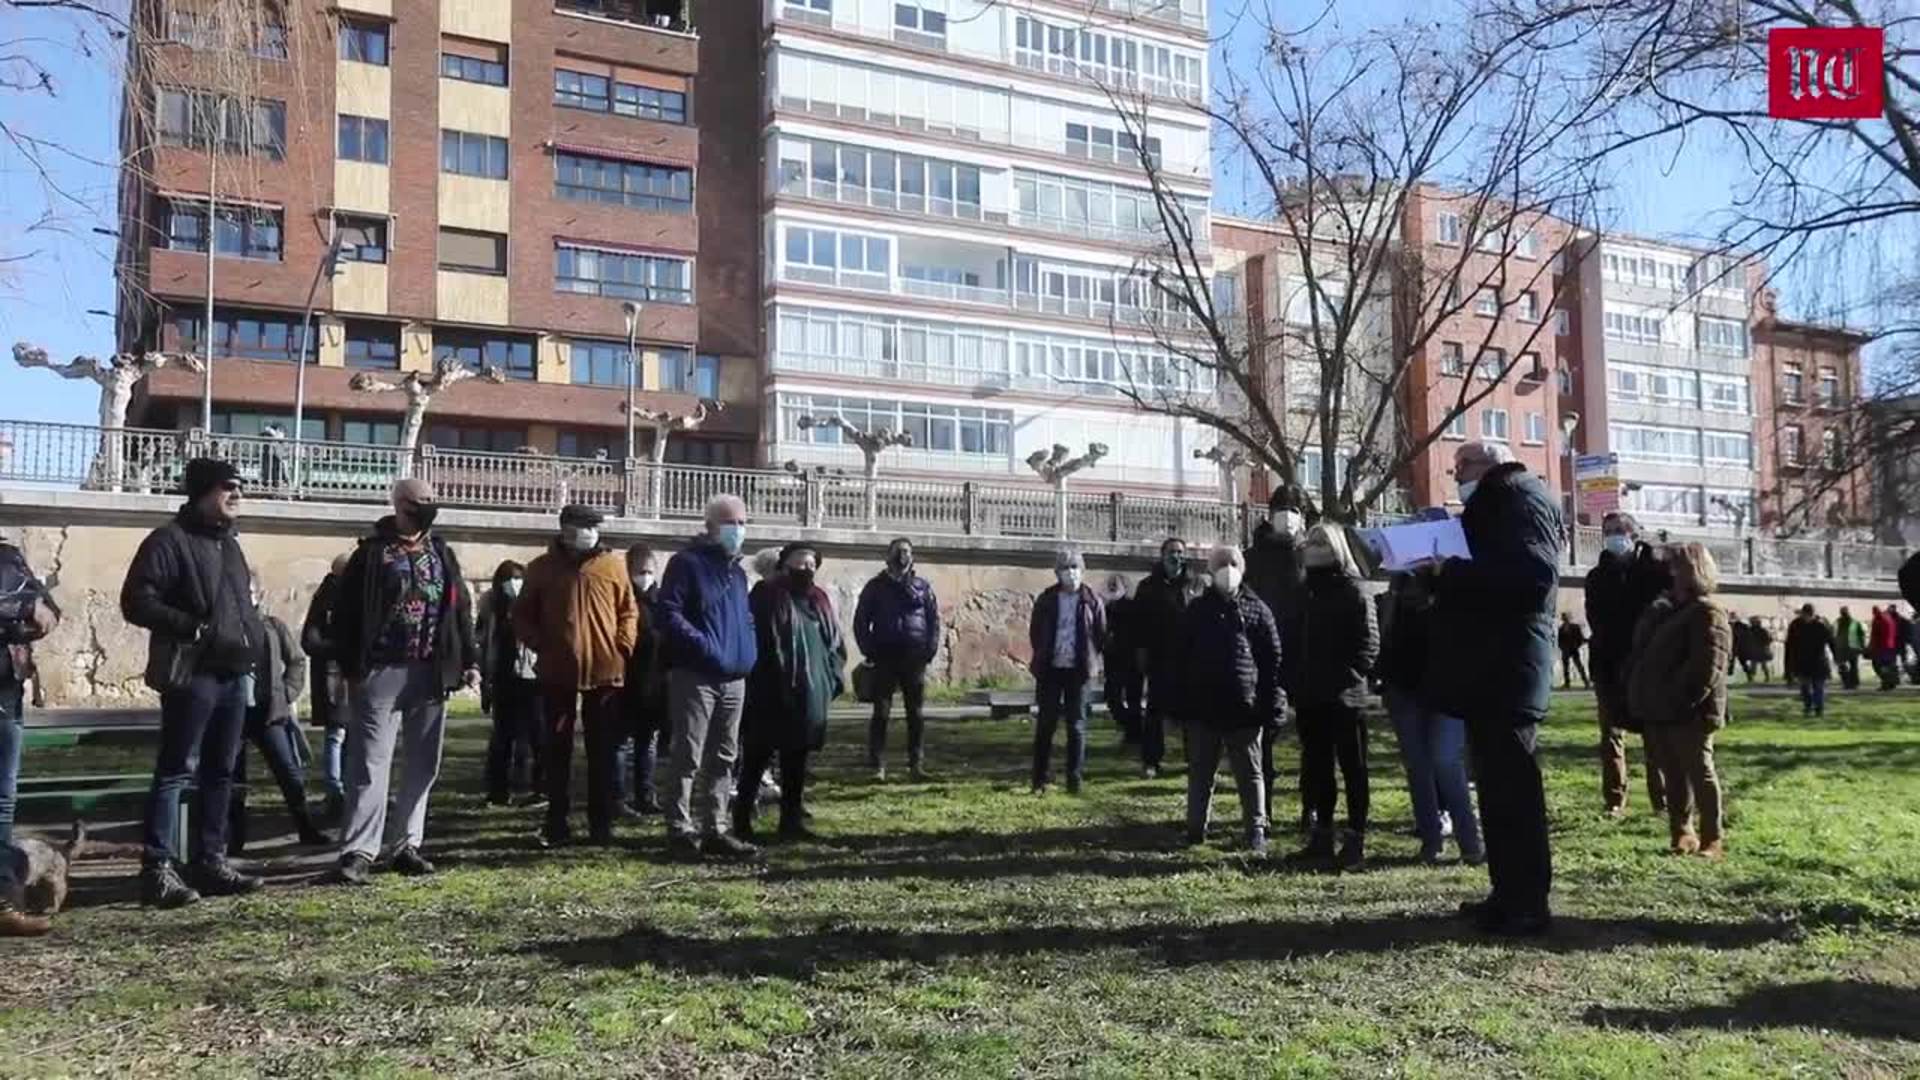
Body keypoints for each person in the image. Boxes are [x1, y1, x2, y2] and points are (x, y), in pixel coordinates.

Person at [1426, 440, 1561, 937]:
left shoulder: (1522, 500)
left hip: (1510, 667)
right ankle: (1507, 895)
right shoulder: (1502, 503)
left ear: (1486, 467)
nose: (1456, 475)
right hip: (1492, 667)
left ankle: (1527, 904)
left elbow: (1534, 575)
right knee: (1498, 793)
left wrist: (1451, 570)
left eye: (1460, 467)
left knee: (1514, 792)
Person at [120, 458, 266, 908]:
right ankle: (158, 868)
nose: (237, 494)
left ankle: (211, 860)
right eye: (228, 487)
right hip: (193, 674)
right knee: (176, 769)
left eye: (240, 487)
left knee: (222, 771)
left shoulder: (231, 546)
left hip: (234, 674)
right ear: (202, 492)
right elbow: (136, 601)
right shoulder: (168, 541)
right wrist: (192, 627)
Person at [323, 478, 479, 886]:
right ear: (398, 504)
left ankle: (406, 844)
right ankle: (358, 850)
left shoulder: (440, 553)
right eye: (419, 502)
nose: (427, 506)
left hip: (430, 670)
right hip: (380, 671)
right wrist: (352, 666)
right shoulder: (372, 555)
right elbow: (345, 616)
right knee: (370, 763)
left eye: (432, 499)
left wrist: (468, 659)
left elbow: (459, 607)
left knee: (423, 762)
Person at [514, 505, 639, 847]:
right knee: (557, 750)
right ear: (567, 530)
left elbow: (629, 610)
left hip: (605, 673)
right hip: (558, 672)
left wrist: (623, 646)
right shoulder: (541, 569)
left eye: (595, 528)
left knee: (602, 750)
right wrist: (542, 644)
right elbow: (522, 616)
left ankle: (601, 822)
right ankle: (556, 820)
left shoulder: (613, 565)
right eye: (586, 527)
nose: (592, 533)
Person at [658, 494, 759, 860]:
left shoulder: (738, 573)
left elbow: (745, 618)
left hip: (735, 677)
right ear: (712, 525)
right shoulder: (686, 564)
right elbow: (668, 614)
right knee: (688, 754)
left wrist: (749, 649)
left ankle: (716, 827)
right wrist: (704, 647)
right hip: (696, 674)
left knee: (725, 756)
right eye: (733, 522)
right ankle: (679, 829)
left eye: (744, 522)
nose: (740, 530)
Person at [1626, 543, 1731, 859]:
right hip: (1661, 708)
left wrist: (1679, 697)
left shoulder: (1707, 612)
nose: (1669, 574)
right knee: (1672, 774)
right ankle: (1682, 832)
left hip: (1690, 710)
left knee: (1700, 772)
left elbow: (1708, 665)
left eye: (1676, 567)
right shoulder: (1669, 611)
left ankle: (1713, 837)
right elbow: (1642, 648)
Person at [735, 543, 846, 840]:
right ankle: (741, 819)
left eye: (812, 564)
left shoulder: (819, 599)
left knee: (796, 760)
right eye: (801, 562)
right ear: (785, 565)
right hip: (770, 691)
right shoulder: (766, 595)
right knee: (756, 758)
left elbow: (834, 643)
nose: (807, 568)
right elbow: (758, 642)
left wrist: (830, 679)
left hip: (809, 693)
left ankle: (791, 820)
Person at [1176, 545, 1281, 854]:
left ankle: (1256, 829)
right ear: (1210, 569)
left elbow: (1272, 660)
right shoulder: (1196, 611)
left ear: (1243, 568)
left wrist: (1271, 703)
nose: (1228, 569)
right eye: (1221, 563)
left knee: (1251, 773)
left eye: (1233, 563)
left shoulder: (1257, 609)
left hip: (1245, 708)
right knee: (1201, 772)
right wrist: (1181, 702)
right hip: (1204, 707)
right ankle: (1195, 829)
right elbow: (1181, 657)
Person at [1378, 568, 1482, 866]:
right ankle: (1431, 839)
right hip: (1405, 686)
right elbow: (1388, 633)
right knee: (1418, 766)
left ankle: (1469, 841)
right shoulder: (1398, 588)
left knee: (1446, 762)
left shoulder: (1454, 586)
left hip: (1446, 688)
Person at [1290, 525, 1379, 870]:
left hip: (1344, 696)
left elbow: (1368, 645)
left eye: (1322, 542)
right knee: (1317, 768)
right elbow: (1293, 638)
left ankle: (1356, 838)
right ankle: (1322, 835)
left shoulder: (1354, 590)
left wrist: (1350, 680)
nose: (1315, 547)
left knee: (1353, 768)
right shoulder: (1304, 592)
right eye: (1311, 541)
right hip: (1310, 695)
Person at [1583, 511, 1673, 817]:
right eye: (1607, 530)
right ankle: (1614, 801)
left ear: (1634, 534)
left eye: (1619, 529)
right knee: (1610, 735)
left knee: (1653, 734)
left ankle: (1661, 800)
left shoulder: (1657, 571)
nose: (1613, 535)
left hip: (1647, 664)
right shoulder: (1597, 577)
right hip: (1609, 663)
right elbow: (1596, 619)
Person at [227, 577, 326, 852]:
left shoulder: (272, 626)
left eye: (249, 591)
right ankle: (234, 839)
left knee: (289, 772)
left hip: (269, 712)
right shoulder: (225, 626)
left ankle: (305, 827)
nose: (245, 597)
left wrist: (287, 692)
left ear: (259, 593)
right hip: (233, 713)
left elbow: (296, 660)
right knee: (233, 779)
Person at [0, 538, 59, 936]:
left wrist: (44, 611)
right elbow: (24, 604)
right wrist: (21, 609)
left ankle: (2, 900)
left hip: (7, 690)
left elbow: (45, 603)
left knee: (2, 800)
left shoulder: (8, 555)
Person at [1244, 490, 1310, 828]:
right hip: (1264, 659)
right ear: (1269, 514)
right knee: (1264, 737)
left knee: (1312, 738)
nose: (1287, 515)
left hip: (1304, 656)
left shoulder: (1310, 556)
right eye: (1281, 509)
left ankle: (1311, 807)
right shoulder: (1253, 558)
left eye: (1294, 509)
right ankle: (1262, 808)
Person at [853, 538, 941, 781]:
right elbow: (861, 621)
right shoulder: (876, 587)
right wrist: (869, 650)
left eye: (908, 552)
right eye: (898, 552)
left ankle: (916, 763)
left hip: (914, 657)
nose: (903, 556)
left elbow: (933, 620)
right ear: (888, 557)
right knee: (881, 712)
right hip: (885, 656)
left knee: (916, 713)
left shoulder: (922, 587)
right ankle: (878, 765)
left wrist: (929, 649)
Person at [1027, 549, 1108, 795]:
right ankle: (1039, 779)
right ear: (1057, 572)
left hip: (1078, 671)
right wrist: (1043, 654)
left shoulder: (1092, 600)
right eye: (1066, 568)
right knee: (1046, 725)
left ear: (1082, 571)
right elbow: (1036, 632)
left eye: (1075, 567)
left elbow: (1100, 634)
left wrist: (1091, 659)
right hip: (1051, 669)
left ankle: (1074, 780)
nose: (1071, 573)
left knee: (1076, 726)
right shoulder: (1047, 599)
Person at [477, 560, 542, 806]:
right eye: (509, 579)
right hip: (503, 677)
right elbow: (485, 643)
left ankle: (539, 787)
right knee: (502, 737)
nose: (514, 584)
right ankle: (498, 790)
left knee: (538, 734)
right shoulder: (492, 606)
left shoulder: (533, 603)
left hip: (531, 676)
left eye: (518, 578)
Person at [1132, 537, 1191, 779]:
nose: (1175, 556)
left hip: (1189, 660)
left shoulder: (1195, 585)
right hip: (1159, 658)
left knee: (1191, 713)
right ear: (1162, 555)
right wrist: (1141, 652)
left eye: (1179, 552)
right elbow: (1138, 625)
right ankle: (1151, 761)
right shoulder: (1147, 587)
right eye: (1171, 552)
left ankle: (1195, 760)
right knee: (1155, 713)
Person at [300, 553, 352, 820]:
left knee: (345, 735)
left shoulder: (337, 595)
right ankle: (336, 791)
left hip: (345, 674)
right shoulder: (330, 598)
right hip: (336, 675)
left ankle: (343, 788)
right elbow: (310, 639)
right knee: (338, 735)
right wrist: (339, 650)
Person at [620, 544, 668, 814]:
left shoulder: (661, 601)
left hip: (655, 681)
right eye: (640, 571)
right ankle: (618, 797)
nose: (645, 576)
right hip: (626, 679)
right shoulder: (623, 599)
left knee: (647, 743)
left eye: (649, 571)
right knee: (623, 744)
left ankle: (645, 795)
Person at [1098, 574, 1142, 745]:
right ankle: (1133, 727)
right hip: (1113, 661)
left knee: (1134, 701)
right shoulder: (1104, 607)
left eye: (1116, 586)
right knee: (1113, 699)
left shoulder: (1132, 607)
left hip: (1131, 660)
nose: (1113, 588)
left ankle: (1134, 736)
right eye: (1111, 586)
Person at [1783, 603, 1837, 718]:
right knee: (1805, 687)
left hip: (1818, 662)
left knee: (1818, 687)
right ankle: (1808, 706)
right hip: (1802, 662)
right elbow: (1789, 645)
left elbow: (1831, 642)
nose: (1807, 618)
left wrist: (1838, 658)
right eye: (1806, 615)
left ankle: (1819, 709)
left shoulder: (1820, 626)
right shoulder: (1795, 625)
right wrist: (1788, 666)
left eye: (1809, 615)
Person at [1834, 605, 1865, 691]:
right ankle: (1853, 683)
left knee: (1845, 666)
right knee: (1852, 666)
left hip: (1844, 648)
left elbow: (1833, 634)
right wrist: (1862, 646)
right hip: (1851, 647)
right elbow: (1861, 635)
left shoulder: (1838, 622)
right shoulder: (1854, 622)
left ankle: (1848, 683)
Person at [1870, 605, 1900, 690]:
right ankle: (1891, 683)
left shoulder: (1878, 620)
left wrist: (1872, 646)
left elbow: (1876, 635)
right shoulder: (1890, 620)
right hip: (1891, 646)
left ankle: (1886, 684)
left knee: (1879, 666)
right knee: (1888, 666)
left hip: (1881, 647)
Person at [1556, 614, 1589, 689]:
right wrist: (1562, 648)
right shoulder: (1561, 629)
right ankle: (1567, 683)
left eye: (1566, 617)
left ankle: (1586, 682)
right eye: (1563, 618)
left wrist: (1577, 645)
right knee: (1566, 668)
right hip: (1565, 650)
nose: (1565, 619)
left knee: (1579, 666)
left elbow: (1580, 637)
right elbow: (1559, 640)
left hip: (1574, 649)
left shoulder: (1575, 627)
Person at [1739, 615, 1775, 683]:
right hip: (1756, 650)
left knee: (1763, 665)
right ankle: (1752, 678)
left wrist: (1765, 644)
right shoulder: (1751, 630)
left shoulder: (1762, 630)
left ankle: (1766, 677)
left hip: (1761, 650)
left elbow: (1769, 639)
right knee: (1754, 665)